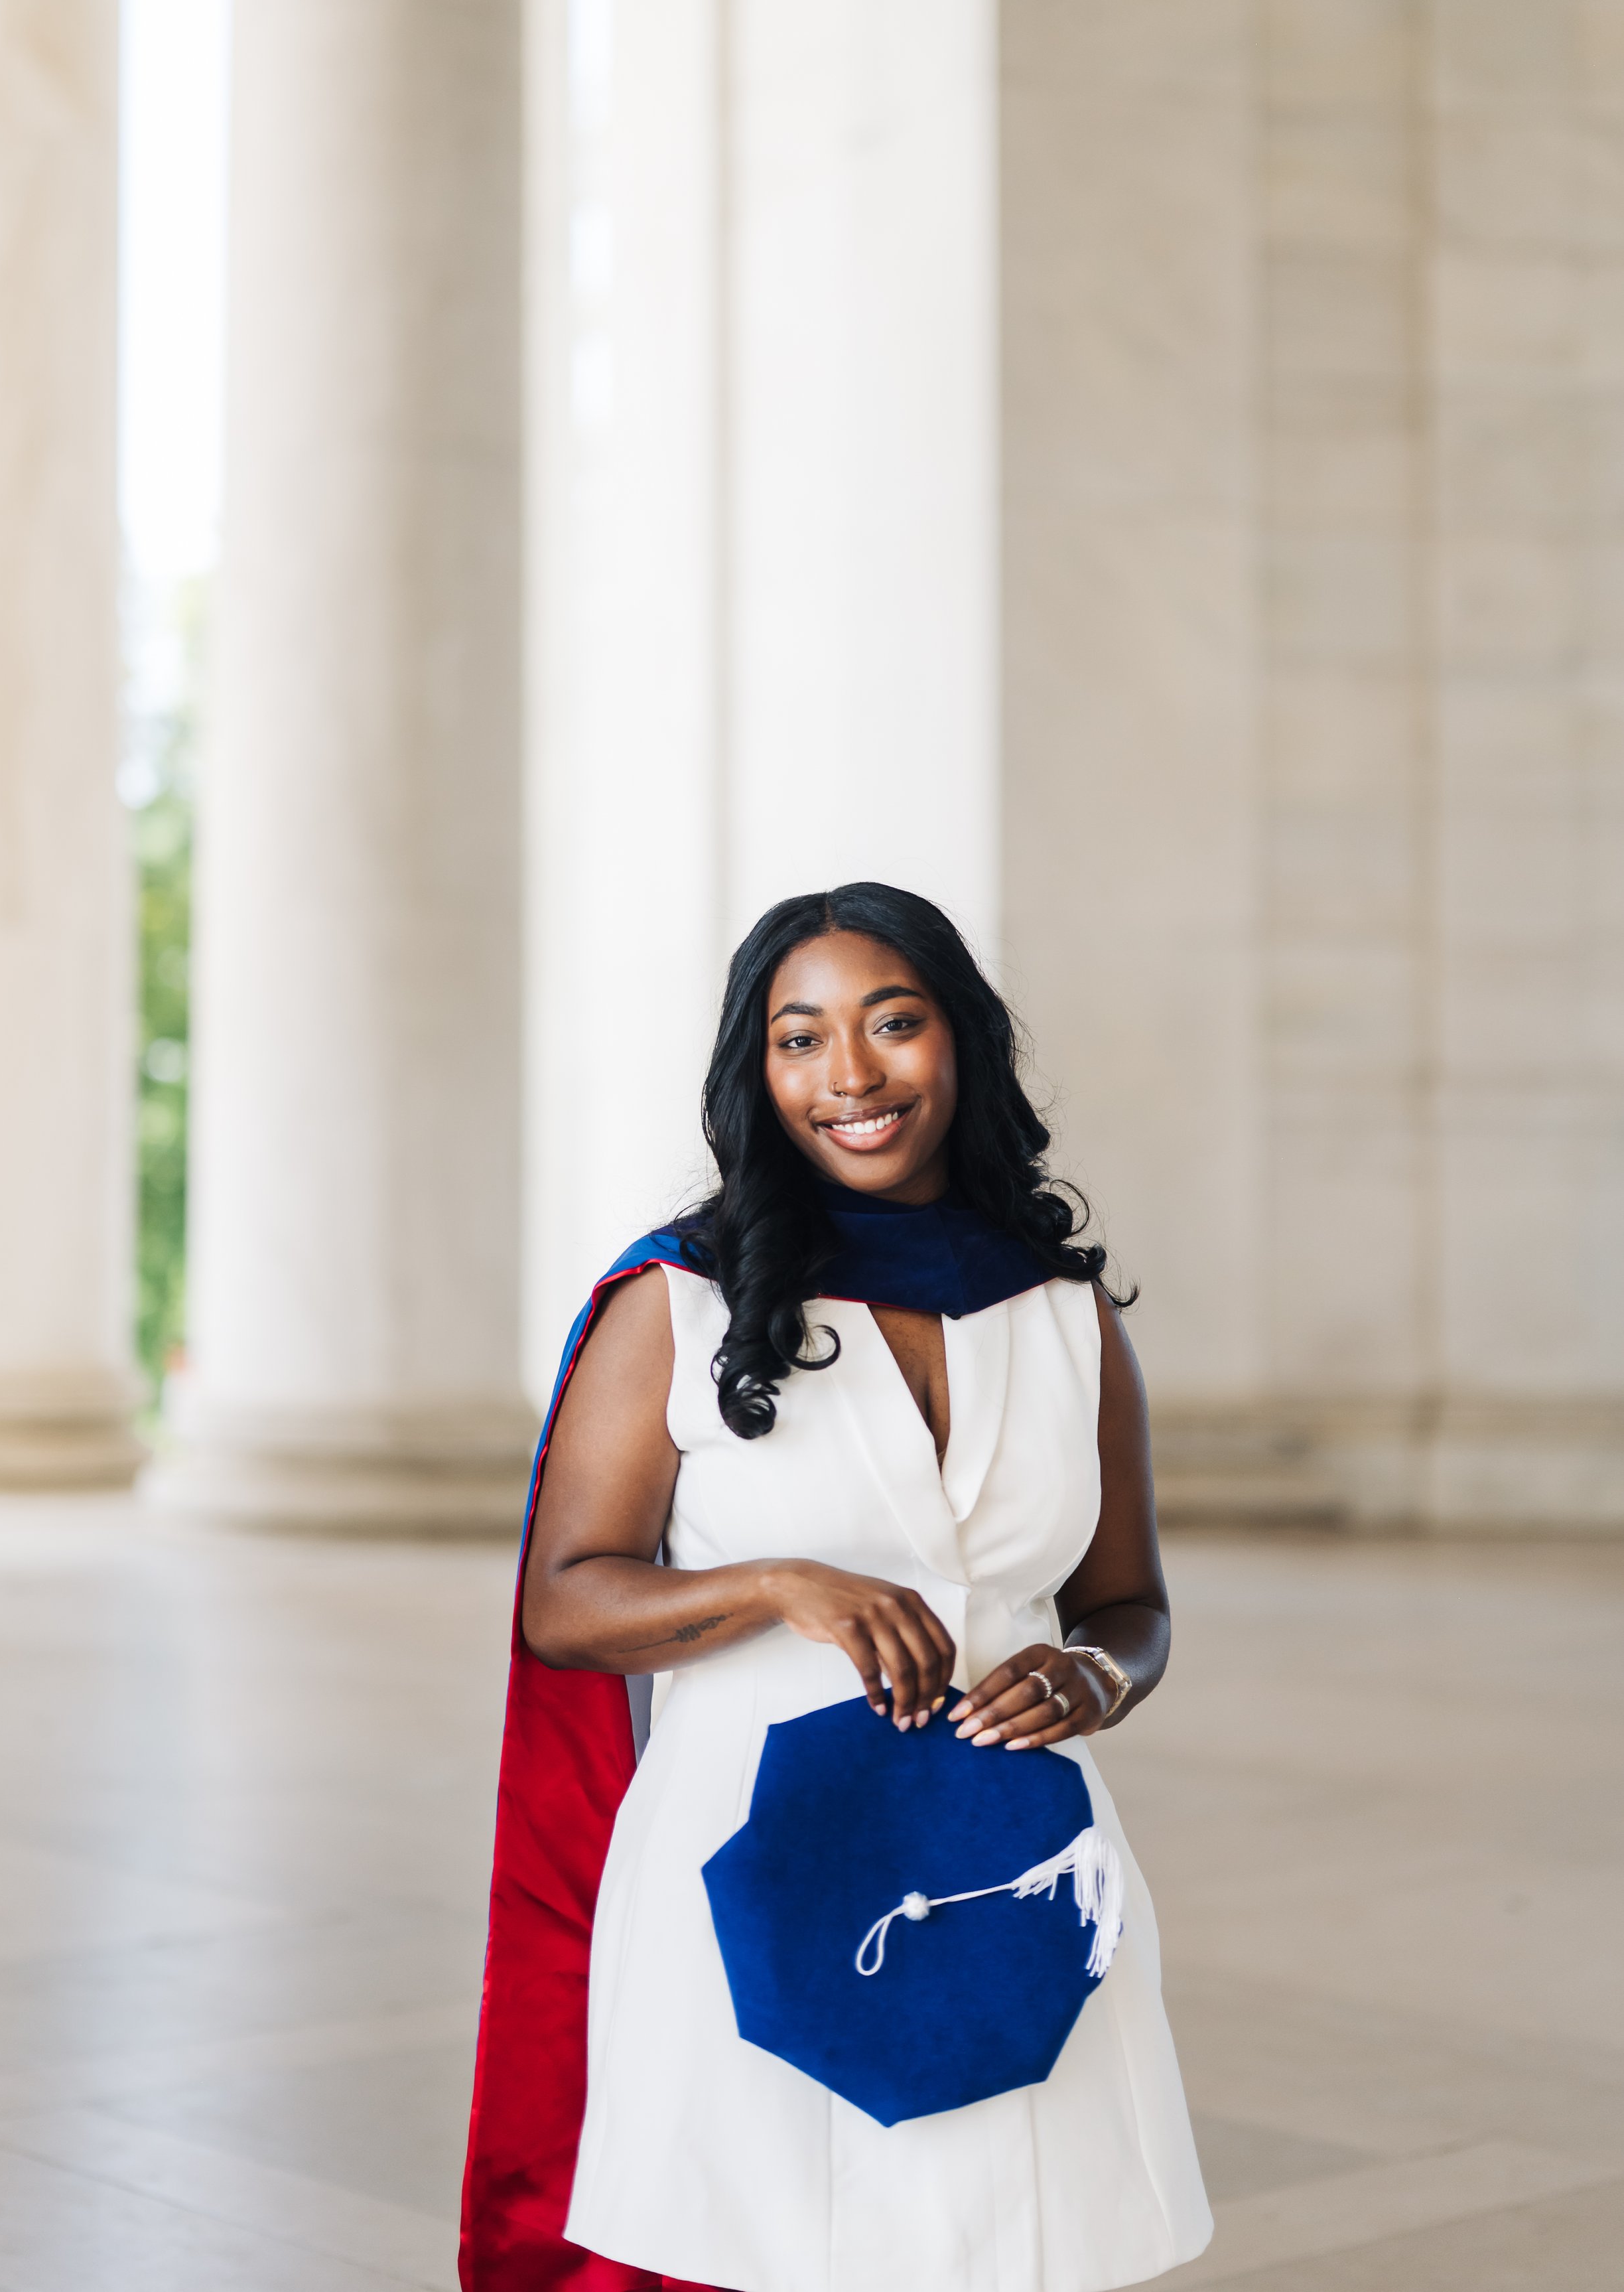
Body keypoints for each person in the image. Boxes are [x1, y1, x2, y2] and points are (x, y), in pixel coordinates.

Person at [460, 883, 1212, 2292]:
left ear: (963, 1044)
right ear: (757, 1073)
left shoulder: (1064, 1319)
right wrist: (777, 1586)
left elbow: (1130, 1603)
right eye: (797, 1039)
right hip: (749, 1856)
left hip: (1018, 1854)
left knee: (1016, 2239)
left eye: (892, 1024)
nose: (850, 1077)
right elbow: (564, 1604)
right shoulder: (676, 1301)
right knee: (763, 2238)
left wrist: (1098, 1673)